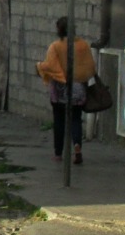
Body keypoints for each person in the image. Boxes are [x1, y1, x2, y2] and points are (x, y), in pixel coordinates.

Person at [35, 16, 96, 164]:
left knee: (59, 121)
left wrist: (39, 66)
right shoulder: (83, 45)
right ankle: (77, 146)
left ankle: (58, 153)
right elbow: (90, 67)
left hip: (59, 90)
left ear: (59, 30)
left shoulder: (55, 46)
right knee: (76, 119)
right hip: (78, 88)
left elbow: (51, 66)